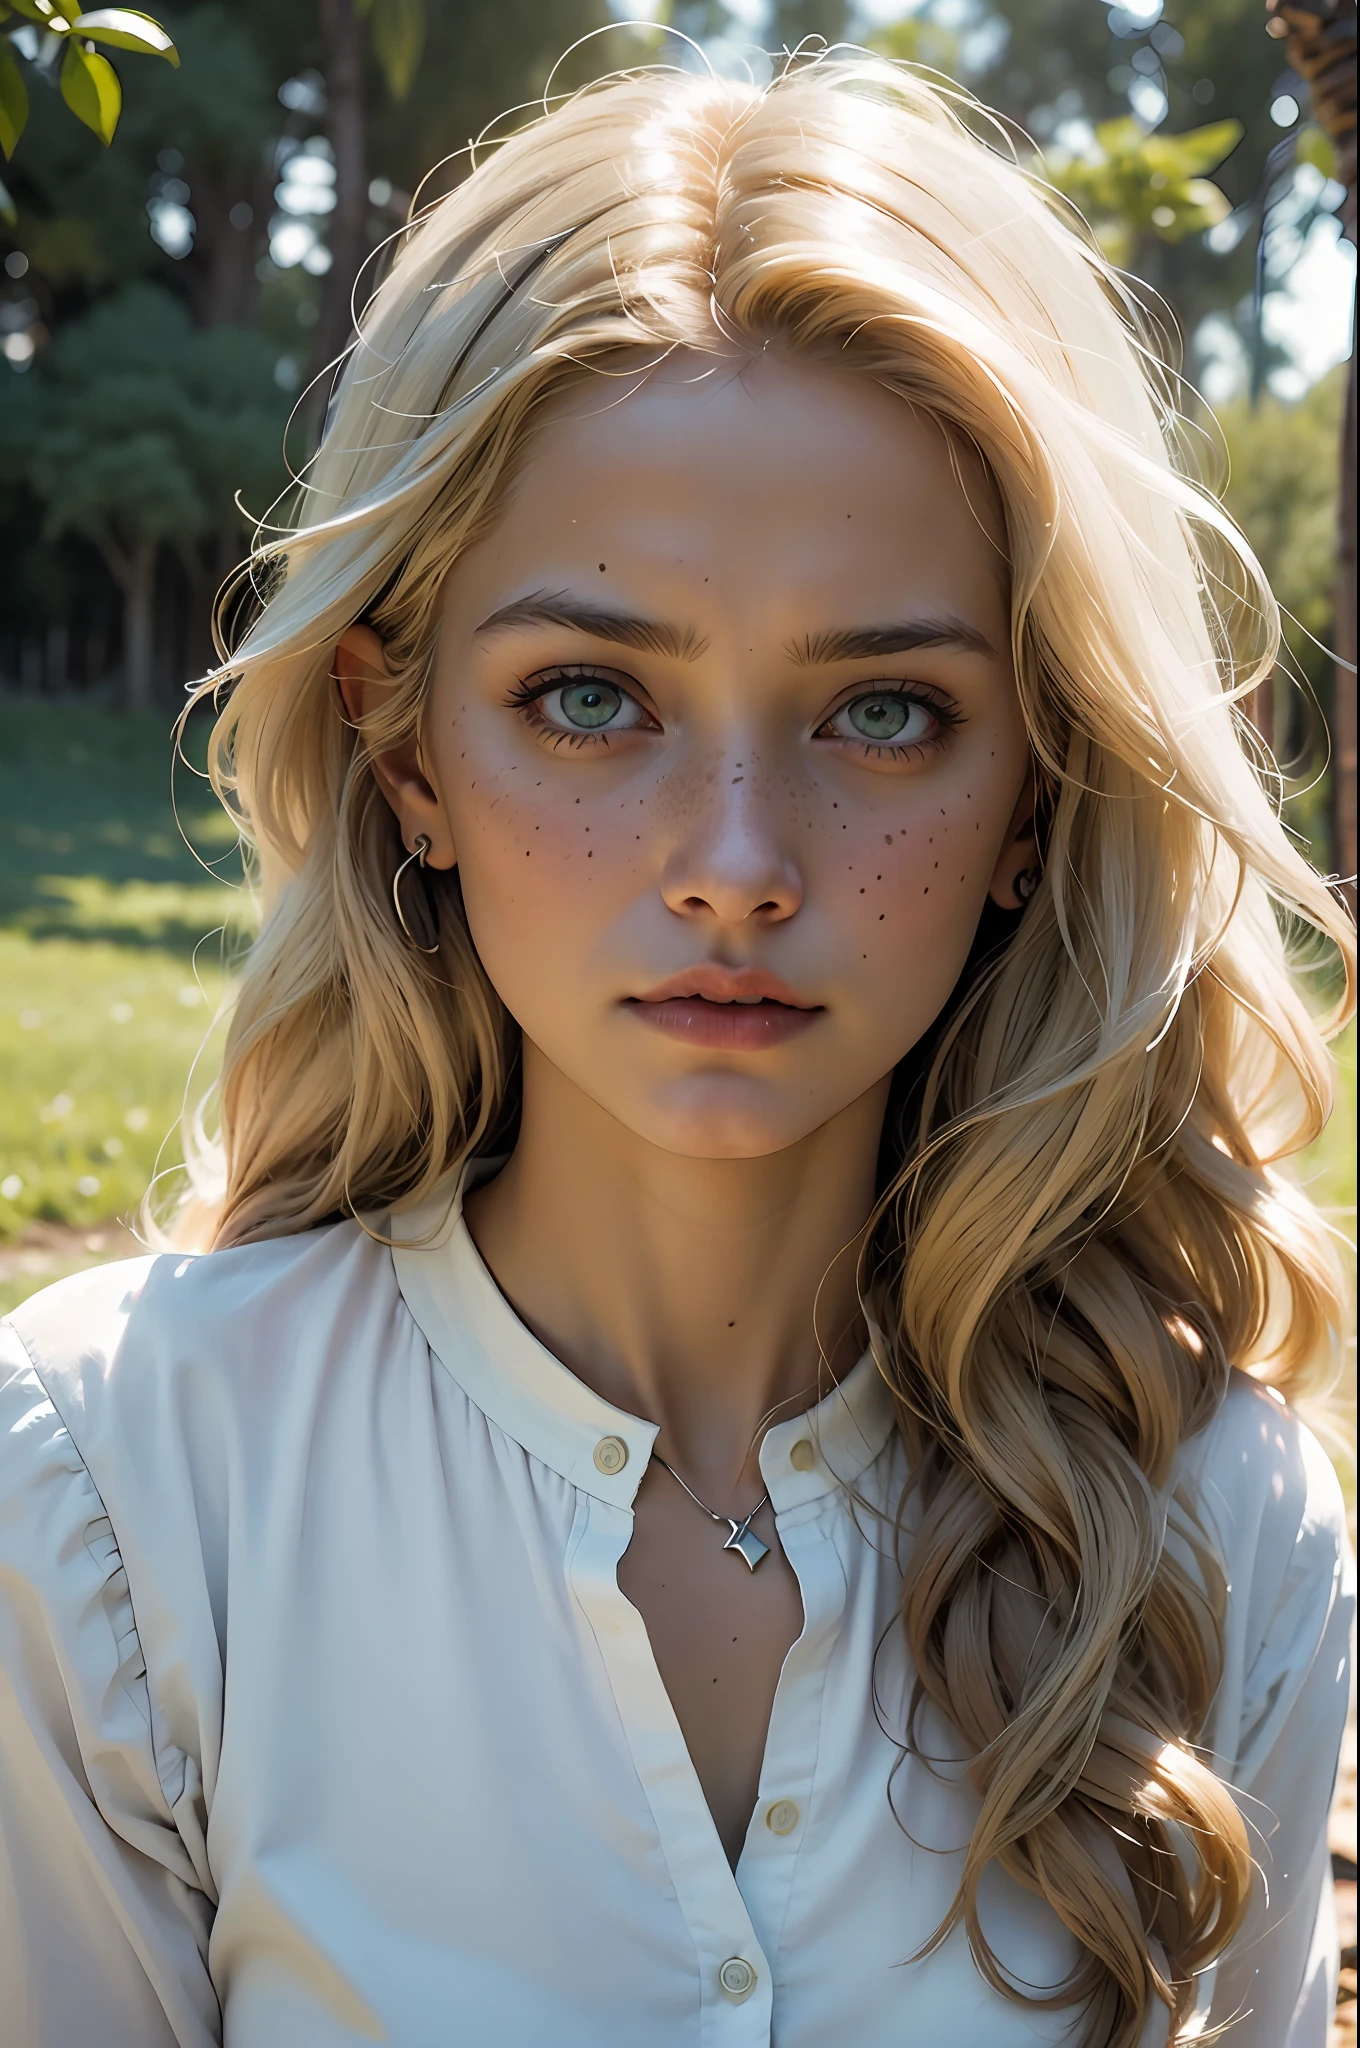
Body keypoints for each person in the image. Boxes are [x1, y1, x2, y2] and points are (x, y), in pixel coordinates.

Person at [0, 50, 1353, 2048]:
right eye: (584, 696)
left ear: (1040, 791)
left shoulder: (1216, 1523)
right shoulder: (108, 1495)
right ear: (402, 750)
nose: (734, 866)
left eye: (881, 712)